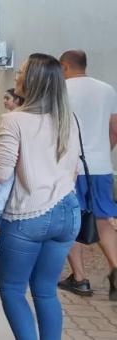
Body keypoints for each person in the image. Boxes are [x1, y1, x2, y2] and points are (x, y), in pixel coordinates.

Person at [0, 53, 80, 340]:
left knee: (12, 289)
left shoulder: (14, 120)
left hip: (29, 215)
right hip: (68, 211)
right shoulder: (68, 119)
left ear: (32, 81)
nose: (17, 74)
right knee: (45, 291)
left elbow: (1, 173)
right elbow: (75, 168)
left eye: (22, 70)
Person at [58, 49, 117, 301]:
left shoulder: (61, 91)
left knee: (71, 222)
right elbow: (115, 130)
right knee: (103, 221)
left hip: (70, 168)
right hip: (101, 167)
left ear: (64, 66)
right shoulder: (107, 89)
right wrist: (102, 152)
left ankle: (80, 279)